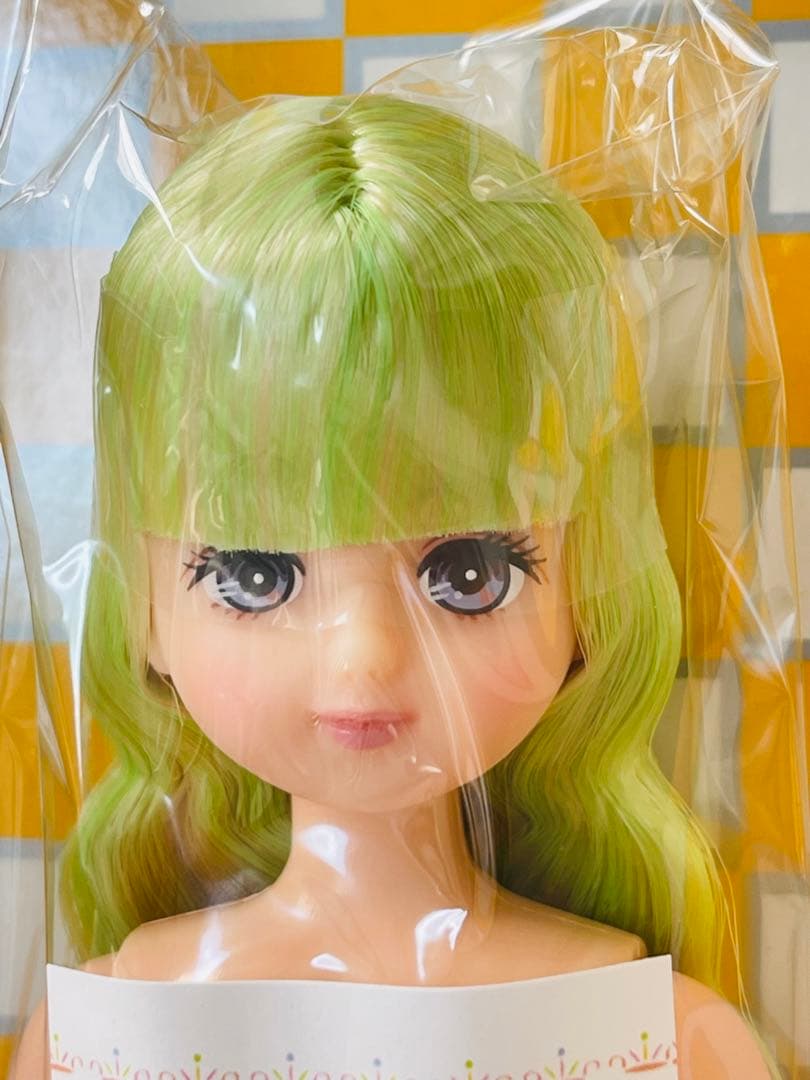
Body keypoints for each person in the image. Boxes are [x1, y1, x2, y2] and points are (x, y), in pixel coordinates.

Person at [12, 93, 772, 1077]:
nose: (362, 660)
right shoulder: (106, 1036)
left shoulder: (656, 1038)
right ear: (144, 609)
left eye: (469, 574)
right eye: (254, 575)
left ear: (595, 587)